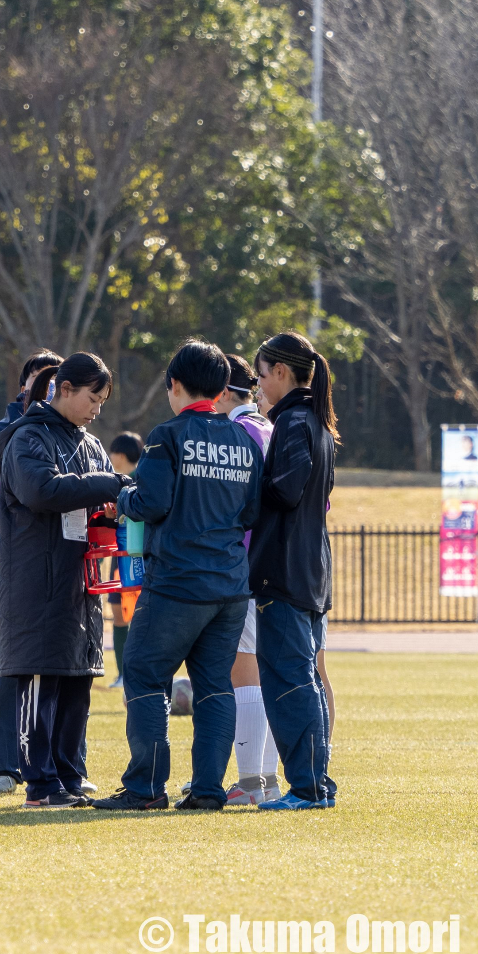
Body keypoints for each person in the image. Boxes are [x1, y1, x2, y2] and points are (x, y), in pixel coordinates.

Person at [92, 340, 262, 812]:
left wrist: (123, 500)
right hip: (229, 585)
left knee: (144, 675)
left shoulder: (168, 437)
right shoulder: (244, 442)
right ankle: (208, 789)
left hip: (177, 584)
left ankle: (146, 788)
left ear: (175, 385)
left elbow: (150, 503)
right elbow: (251, 512)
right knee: (214, 686)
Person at [0, 355, 131, 809]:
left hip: (79, 584)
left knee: (77, 681)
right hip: (37, 583)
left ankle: (71, 776)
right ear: (64, 388)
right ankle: (40, 784)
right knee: (41, 681)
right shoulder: (26, 437)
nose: (96, 408)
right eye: (92, 397)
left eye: (103, 401)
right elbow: (42, 491)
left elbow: (89, 500)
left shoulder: (91, 445)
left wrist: (106, 510)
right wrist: (107, 486)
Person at [249, 332, 338, 810]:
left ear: (281, 372)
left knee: (289, 679)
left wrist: (246, 488)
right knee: (302, 675)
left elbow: (285, 490)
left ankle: (306, 787)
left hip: (284, 571)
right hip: (308, 569)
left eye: (261, 375)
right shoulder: (318, 422)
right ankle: (317, 783)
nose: (259, 386)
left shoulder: (294, 422)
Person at [0, 350, 62, 796]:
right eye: (37, 380)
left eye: (56, 380)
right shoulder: (4, 434)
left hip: (63, 565)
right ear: (23, 386)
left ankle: (58, 765)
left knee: (65, 671)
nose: (46, 387)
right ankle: (4, 767)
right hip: (6, 566)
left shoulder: (76, 436)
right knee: (8, 671)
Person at [214, 354, 280, 805]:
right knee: (273, 675)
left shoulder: (236, 433)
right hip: (282, 566)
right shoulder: (273, 428)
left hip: (246, 566)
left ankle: (250, 782)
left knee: (245, 673)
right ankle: (269, 780)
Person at [105, 431, 143, 689]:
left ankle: (137, 674)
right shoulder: (114, 482)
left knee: (140, 615)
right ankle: (122, 674)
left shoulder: (142, 480)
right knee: (118, 612)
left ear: (119, 455)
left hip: (138, 555)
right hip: (118, 556)